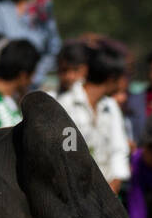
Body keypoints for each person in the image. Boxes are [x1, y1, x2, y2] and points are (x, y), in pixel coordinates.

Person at [56, 48, 131, 189]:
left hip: (109, 191)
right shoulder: (66, 105)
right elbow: (68, 153)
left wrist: (115, 183)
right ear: (112, 79)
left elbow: (119, 149)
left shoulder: (111, 106)